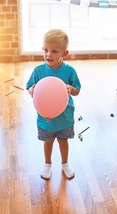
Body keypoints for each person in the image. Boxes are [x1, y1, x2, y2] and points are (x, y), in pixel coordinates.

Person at [26, 29, 81, 180]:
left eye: (54, 51)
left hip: (65, 116)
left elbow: (77, 90)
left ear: (64, 53)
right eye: (45, 50)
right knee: (48, 141)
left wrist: (71, 89)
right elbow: (29, 86)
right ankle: (47, 164)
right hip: (45, 117)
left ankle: (65, 163)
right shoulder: (38, 71)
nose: (48, 55)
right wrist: (32, 89)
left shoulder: (69, 71)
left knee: (63, 140)